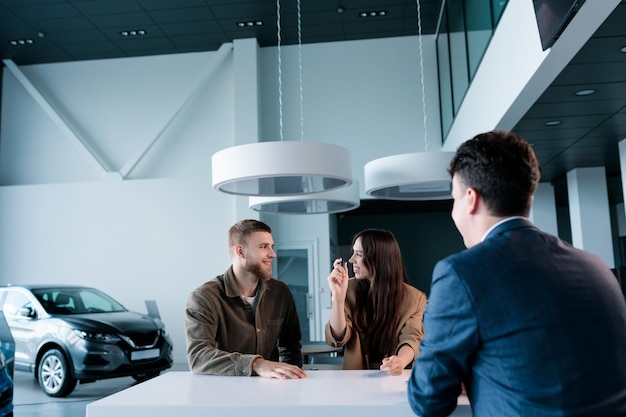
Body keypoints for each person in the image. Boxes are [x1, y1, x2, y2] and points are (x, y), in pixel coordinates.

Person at [408, 131, 626, 416]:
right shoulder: (594, 265)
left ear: (470, 199)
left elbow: (428, 400)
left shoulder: (460, 273)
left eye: (454, 198)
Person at [185, 219, 306, 379]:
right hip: (223, 392)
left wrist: (291, 378)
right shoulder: (204, 297)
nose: (273, 254)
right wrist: (256, 364)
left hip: (273, 391)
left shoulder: (280, 292)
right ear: (240, 252)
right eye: (263, 247)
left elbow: (290, 347)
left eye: (272, 246)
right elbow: (198, 356)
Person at [325, 228, 427, 376]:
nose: (352, 259)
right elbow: (338, 338)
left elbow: (412, 338)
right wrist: (338, 299)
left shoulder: (414, 298)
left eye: (358, 254)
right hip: (356, 378)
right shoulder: (348, 288)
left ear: (379, 259)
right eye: (353, 253)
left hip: (395, 377)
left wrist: (400, 361)